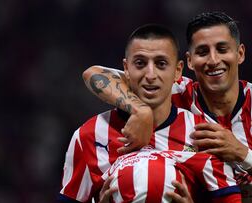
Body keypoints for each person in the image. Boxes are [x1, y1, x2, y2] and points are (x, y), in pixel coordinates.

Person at [83, 12, 252, 202]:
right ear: (189, 61)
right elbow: (94, 74)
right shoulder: (175, 91)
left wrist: (243, 155)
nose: (213, 60)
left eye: (222, 49)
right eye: (202, 52)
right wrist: (139, 109)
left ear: (239, 53)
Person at [58, 24, 241, 203]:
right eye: (140, 63)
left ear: (178, 71)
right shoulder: (89, 136)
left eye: (161, 64)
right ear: (126, 68)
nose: (150, 74)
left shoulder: (205, 136)